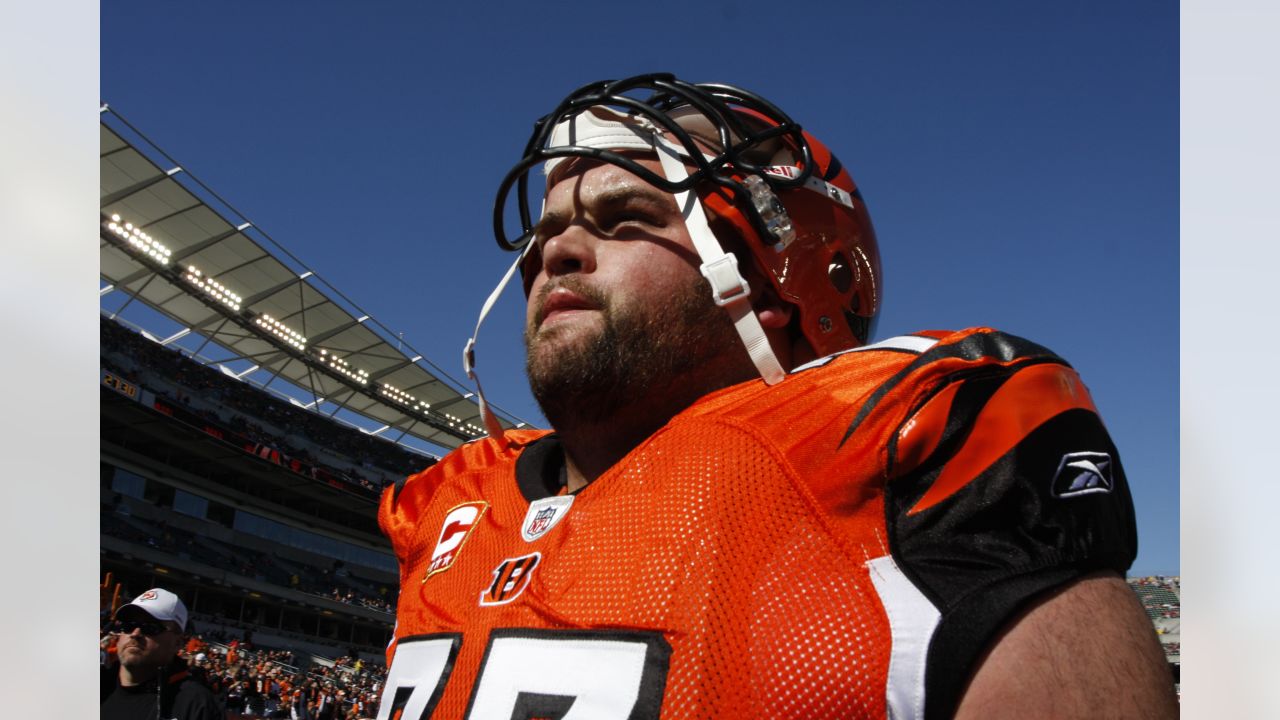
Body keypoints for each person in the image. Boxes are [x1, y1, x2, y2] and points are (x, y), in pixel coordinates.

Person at [375, 73, 1177, 719]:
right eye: (547, 232)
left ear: (777, 287)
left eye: (623, 220)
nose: (556, 253)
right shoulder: (449, 508)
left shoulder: (894, 470)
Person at [101, 587, 224, 720]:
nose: (135, 634)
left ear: (178, 643)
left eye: (150, 627)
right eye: (128, 625)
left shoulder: (196, 705)